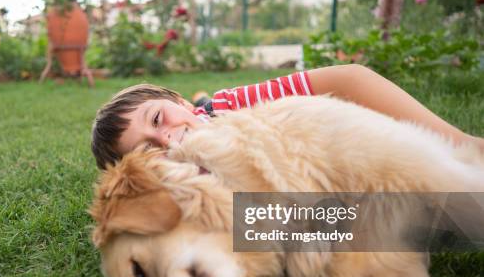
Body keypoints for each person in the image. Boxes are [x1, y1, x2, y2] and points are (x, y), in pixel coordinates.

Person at [91, 64, 484, 170]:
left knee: (211, 102)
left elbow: (349, 78)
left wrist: (459, 143)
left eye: (158, 119)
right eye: (147, 150)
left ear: (175, 102)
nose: (166, 140)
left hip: (343, 130)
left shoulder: (233, 106)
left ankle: (199, 98)